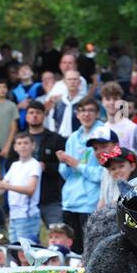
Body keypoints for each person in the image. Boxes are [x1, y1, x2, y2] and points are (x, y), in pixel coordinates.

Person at [57, 98, 107, 253]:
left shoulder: (104, 134)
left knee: (90, 251)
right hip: (70, 200)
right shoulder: (73, 137)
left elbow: (103, 174)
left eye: (91, 110)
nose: (86, 114)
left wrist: (76, 164)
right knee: (71, 250)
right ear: (77, 114)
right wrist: (65, 162)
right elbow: (65, 174)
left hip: (91, 202)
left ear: (98, 113)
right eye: (82, 111)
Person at [0, 131, 42, 245]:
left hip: (27, 216)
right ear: (15, 147)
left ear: (33, 146)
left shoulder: (34, 164)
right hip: (13, 216)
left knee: (27, 253)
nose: (22, 146)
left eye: (26, 143)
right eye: (19, 143)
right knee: (15, 251)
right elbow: (1, 191)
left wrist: (3, 185)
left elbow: (30, 189)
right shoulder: (14, 165)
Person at [24, 100, 66, 231]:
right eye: (31, 112)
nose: (34, 115)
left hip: (50, 197)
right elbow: (9, 163)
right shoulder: (20, 139)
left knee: (58, 234)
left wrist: (45, 167)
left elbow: (64, 167)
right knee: (25, 241)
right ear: (26, 117)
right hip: (25, 200)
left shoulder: (56, 139)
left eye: (38, 112)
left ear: (44, 115)